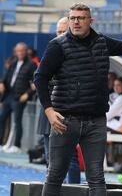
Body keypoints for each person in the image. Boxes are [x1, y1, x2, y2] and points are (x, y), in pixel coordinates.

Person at [34, 3, 122, 196]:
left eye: (80, 18)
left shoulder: (101, 42)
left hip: (96, 121)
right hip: (65, 121)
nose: (76, 21)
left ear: (90, 21)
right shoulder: (57, 46)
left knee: (97, 178)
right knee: (55, 175)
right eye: (72, 18)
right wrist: (49, 110)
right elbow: (40, 77)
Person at [36, 16, 81, 184]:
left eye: (64, 31)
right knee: (50, 161)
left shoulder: (76, 53)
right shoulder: (51, 50)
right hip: (48, 113)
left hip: (67, 113)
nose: (60, 34)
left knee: (71, 160)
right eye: (58, 31)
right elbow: (40, 79)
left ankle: (74, 191)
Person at [0, 42, 37, 153]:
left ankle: (16, 145)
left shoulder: (31, 64)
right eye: (18, 51)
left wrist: (27, 94)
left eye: (22, 50)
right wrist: (1, 83)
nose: (20, 53)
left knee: (17, 121)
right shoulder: (13, 62)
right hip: (8, 95)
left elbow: (36, 82)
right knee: (1, 118)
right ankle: (1, 143)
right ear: (15, 52)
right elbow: (5, 77)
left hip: (20, 97)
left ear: (26, 51)